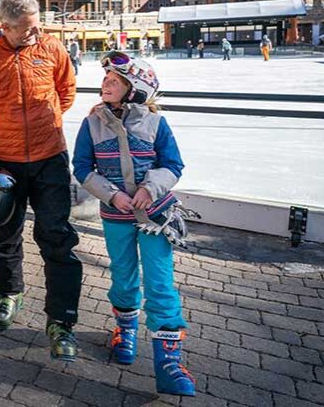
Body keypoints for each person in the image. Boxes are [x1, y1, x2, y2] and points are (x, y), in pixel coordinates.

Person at [0, 0, 82, 361]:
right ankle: (10, 292)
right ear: (5, 27)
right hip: (4, 164)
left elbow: (66, 91)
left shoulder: (52, 48)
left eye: (37, 26)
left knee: (57, 237)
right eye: (28, 29)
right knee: (4, 235)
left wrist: (45, 123)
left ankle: (61, 320)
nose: (35, 33)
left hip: (50, 159)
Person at [72, 52, 195, 396]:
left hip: (154, 218)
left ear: (135, 89)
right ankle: (125, 330)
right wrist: (112, 195)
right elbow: (82, 167)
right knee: (123, 276)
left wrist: (148, 189)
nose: (105, 84)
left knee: (160, 282)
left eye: (114, 81)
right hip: (116, 217)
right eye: (106, 79)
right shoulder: (92, 123)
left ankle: (169, 362)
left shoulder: (156, 124)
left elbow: (173, 165)